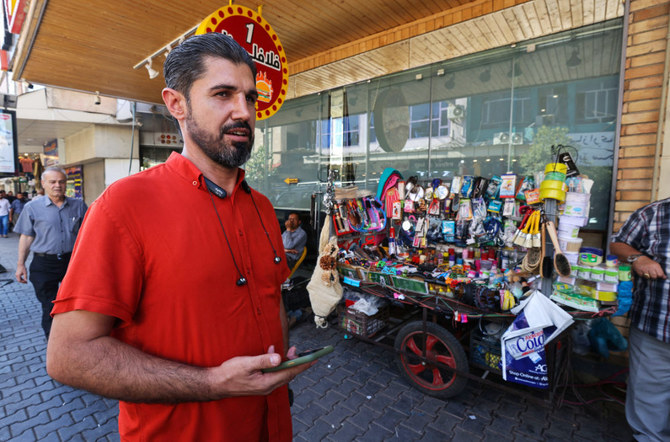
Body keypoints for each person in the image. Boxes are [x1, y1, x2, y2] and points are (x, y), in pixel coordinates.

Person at [46, 33, 312, 441]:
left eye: (250, 98)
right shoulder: (124, 205)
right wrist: (212, 383)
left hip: (273, 425)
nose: (243, 111)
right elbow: (69, 356)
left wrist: (276, 366)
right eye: (223, 94)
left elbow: (270, 298)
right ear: (177, 104)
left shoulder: (261, 206)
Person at [610, 198, 670, 442]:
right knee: (649, 398)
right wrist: (638, 259)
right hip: (655, 325)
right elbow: (617, 245)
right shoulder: (652, 213)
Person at [14, 168, 87, 338]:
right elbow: (26, 237)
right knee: (50, 306)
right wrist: (20, 265)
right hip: (44, 264)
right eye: (53, 182)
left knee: (77, 303)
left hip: (72, 263)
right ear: (44, 184)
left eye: (61, 182)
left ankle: (77, 338)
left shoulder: (79, 206)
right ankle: (53, 346)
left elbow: (89, 234)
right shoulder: (32, 208)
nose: (57, 185)